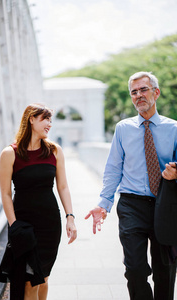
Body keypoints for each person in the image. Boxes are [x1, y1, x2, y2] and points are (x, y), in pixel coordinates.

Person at [85, 71, 177, 300]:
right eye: (134, 92)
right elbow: (113, 168)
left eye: (143, 90)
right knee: (134, 269)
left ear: (156, 92)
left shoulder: (174, 128)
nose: (139, 96)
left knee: (165, 269)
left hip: (164, 204)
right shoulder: (123, 129)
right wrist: (104, 204)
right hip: (131, 204)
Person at [0, 103, 77, 300]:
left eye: (50, 120)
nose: (49, 124)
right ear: (31, 119)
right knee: (29, 280)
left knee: (43, 278)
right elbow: (6, 193)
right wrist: (13, 224)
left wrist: (70, 217)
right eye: (45, 119)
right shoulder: (10, 153)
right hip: (23, 224)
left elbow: (63, 187)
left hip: (49, 224)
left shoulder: (54, 151)